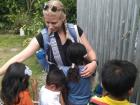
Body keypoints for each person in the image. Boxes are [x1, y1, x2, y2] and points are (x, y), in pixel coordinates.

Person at [0, 0, 97, 78]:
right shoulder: (44, 37)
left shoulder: (75, 30)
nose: (50, 26)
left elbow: (89, 51)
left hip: (80, 81)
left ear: (63, 18)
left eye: (54, 23)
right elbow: (20, 57)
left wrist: (94, 63)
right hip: (59, 84)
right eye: (47, 22)